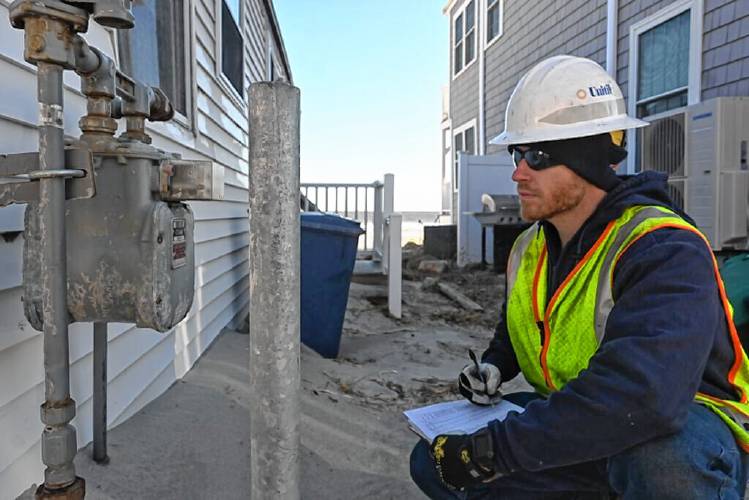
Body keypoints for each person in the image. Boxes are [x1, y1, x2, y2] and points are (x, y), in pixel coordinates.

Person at [409, 55, 749, 499]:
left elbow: (642, 396)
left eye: (536, 155)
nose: (517, 172)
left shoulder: (663, 248)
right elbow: (524, 326)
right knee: (432, 459)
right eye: (517, 153)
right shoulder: (530, 246)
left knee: (660, 463)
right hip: (584, 418)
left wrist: (494, 453)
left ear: (586, 161)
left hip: (678, 425)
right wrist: (494, 364)